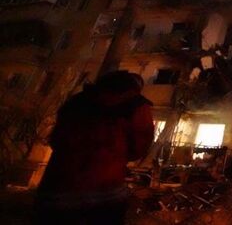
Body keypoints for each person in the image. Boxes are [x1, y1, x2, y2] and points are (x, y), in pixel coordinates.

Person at [35, 71, 154, 225]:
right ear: (134, 88)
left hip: (58, 188)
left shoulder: (77, 101)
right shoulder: (136, 106)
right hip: (104, 192)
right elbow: (139, 148)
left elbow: (57, 139)